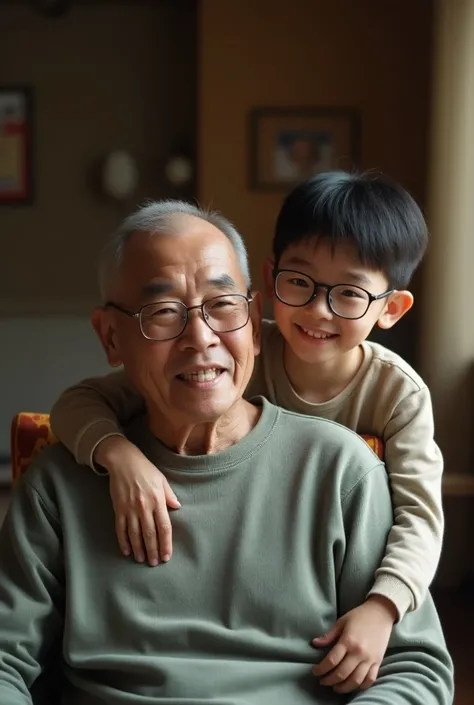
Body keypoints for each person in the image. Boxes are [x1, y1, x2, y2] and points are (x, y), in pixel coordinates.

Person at [0, 201, 452, 703]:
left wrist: (386, 604)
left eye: (222, 306)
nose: (200, 338)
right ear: (111, 337)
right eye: (164, 312)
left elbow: (415, 668)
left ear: (254, 326)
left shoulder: (344, 470)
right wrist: (115, 453)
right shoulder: (61, 484)